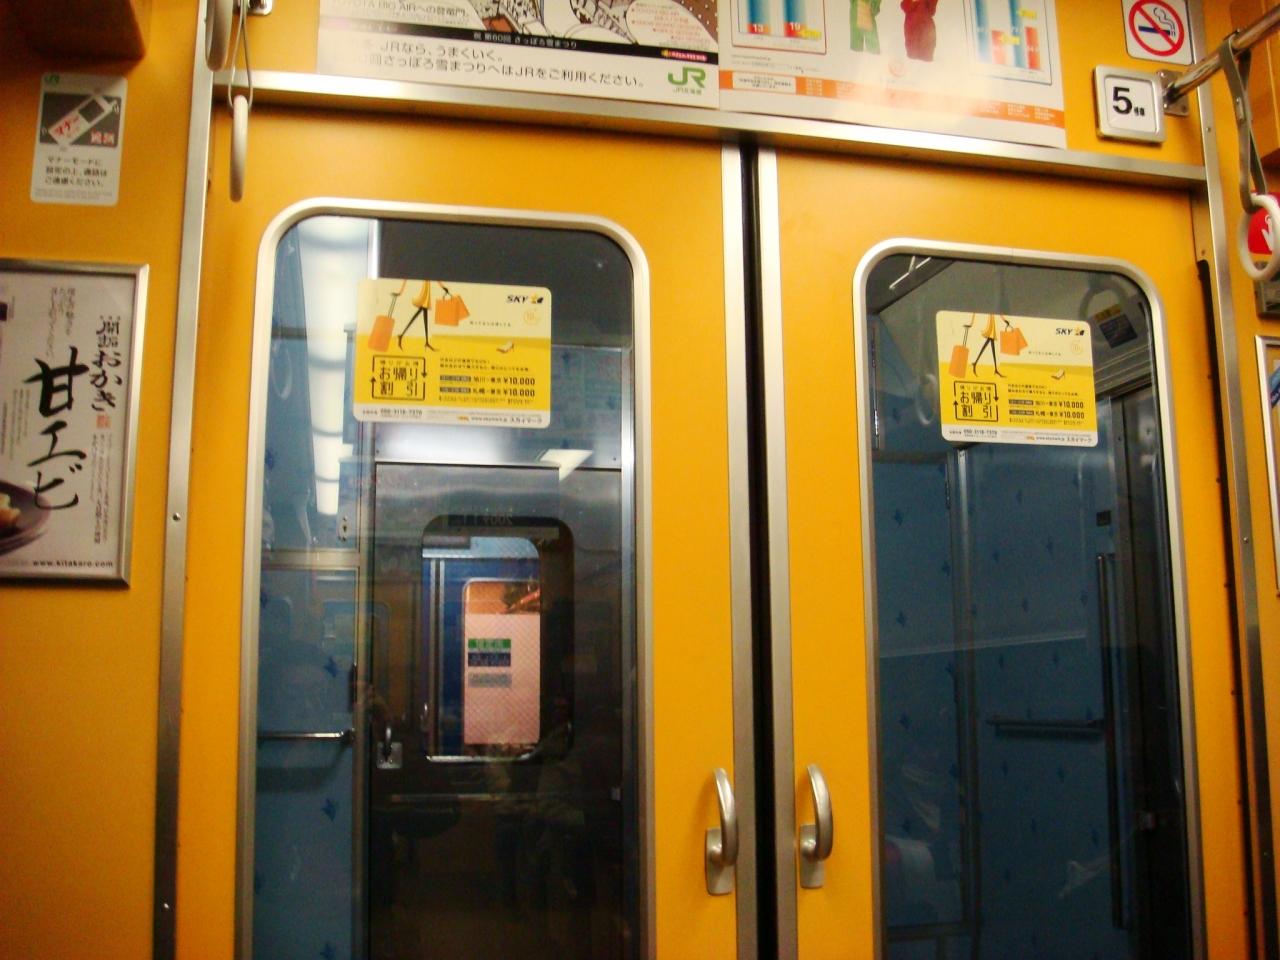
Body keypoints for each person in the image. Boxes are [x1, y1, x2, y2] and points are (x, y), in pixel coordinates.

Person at [396, 280, 438, 351]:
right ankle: (402, 335)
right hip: (422, 289)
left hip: (426, 288)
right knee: (423, 311)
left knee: (424, 312)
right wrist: (401, 291)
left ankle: (426, 342)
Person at [971, 312, 1010, 377]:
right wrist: (1004, 320)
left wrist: (1004, 320)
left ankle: (994, 369)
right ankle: (995, 369)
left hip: (991, 320)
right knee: (990, 341)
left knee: (991, 343)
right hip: (990, 321)